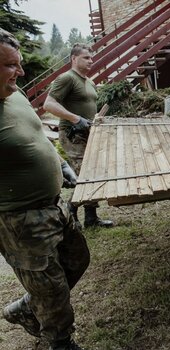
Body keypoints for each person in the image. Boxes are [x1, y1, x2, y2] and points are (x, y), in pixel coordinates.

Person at [0, 29, 89, 349]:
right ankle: (60, 342)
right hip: (20, 221)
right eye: (10, 65)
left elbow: (37, 135)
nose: (20, 72)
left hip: (54, 204)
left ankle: (26, 306)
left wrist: (60, 164)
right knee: (51, 291)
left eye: (19, 63)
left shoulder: (14, 94)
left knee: (77, 259)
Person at [43, 43, 113, 229]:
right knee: (86, 175)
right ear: (74, 59)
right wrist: (75, 119)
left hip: (90, 132)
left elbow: (89, 108)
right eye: (86, 57)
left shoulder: (89, 82)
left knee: (92, 173)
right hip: (73, 134)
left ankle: (91, 218)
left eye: (91, 57)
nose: (91, 60)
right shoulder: (67, 78)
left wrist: (96, 119)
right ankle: (71, 210)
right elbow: (48, 105)